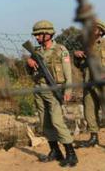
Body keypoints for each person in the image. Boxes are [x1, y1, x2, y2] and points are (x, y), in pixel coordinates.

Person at [26, 20, 78, 167]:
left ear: (47, 34)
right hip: (39, 90)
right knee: (45, 123)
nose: (36, 37)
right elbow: (31, 72)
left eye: (38, 35)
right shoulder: (36, 52)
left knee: (57, 121)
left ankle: (71, 154)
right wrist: (28, 63)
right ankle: (55, 151)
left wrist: (68, 91)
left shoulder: (61, 50)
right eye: (35, 35)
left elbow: (68, 74)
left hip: (55, 91)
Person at [74, 19, 105, 148]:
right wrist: (77, 56)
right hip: (88, 82)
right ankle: (93, 137)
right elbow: (78, 66)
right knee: (89, 110)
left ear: (100, 31)